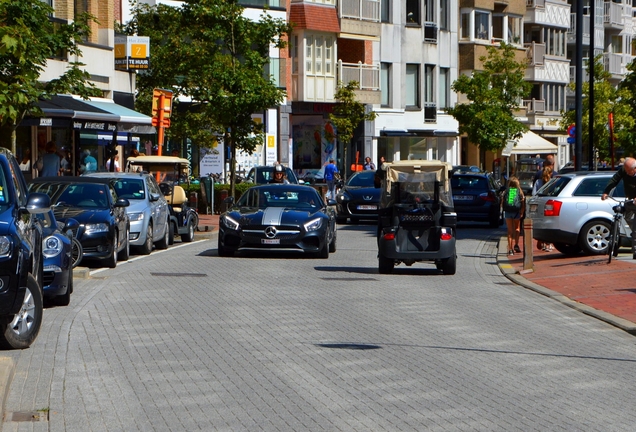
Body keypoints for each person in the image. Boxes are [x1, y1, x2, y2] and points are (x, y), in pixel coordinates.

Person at [602, 157, 636, 259]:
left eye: (629, 171)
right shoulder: (624, 170)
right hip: (630, 200)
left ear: (635, 169)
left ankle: (635, 251)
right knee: (628, 217)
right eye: (626, 170)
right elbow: (614, 180)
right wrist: (606, 192)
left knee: (635, 229)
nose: (627, 173)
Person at [502, 176, 525, 256]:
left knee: (509, 231)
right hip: (516, 212)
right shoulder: (520, 191)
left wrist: (503, 210)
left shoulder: (506, 191)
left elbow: (503, 202)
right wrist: (521, 211)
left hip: (508, 211)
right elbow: (522, 202)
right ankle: (516, 244)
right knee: (517, 228)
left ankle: (510, 249)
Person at [533, 166, 553, 251]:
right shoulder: (552, 182)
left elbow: (534, 193)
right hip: (549, 206)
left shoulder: (538, 182)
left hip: (540, 206)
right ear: (550, 173)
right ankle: (548, 244)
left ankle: (542, 240)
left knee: (541, 224)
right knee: (550, 225)